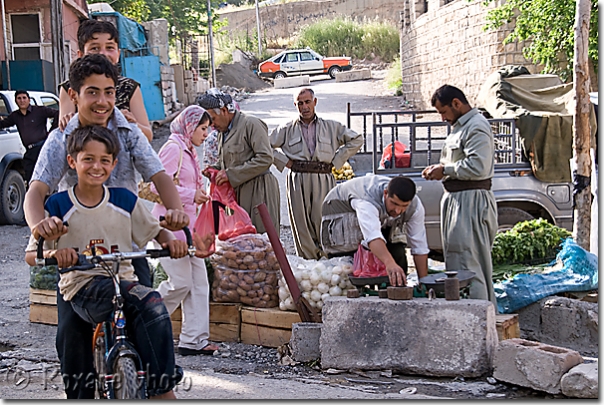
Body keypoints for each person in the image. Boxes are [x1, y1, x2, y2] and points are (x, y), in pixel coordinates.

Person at [24, 54, 189, 399]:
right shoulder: (60, 139)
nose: (102, 101)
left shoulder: (127, 132)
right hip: (77, 255)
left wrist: (175, 217)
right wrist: (42, 228)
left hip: (126, 237)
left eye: (109, 92)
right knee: (71, 336)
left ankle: (161, 390)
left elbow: (158, 174)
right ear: (74, 93)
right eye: (92, 93)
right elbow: (36, 192)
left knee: (149, 312)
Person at [151, 105, 219, 356]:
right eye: (202, 128)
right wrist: (192, 195)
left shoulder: (190, 151)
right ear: (189, 126)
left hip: (190, 230)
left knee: (199, 284)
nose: (206, 134)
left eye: (208, 128)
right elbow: (157, 187)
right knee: (180, 283)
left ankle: (194, 339)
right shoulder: (173, 149)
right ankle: (144, 318)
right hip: (168, 229)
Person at [422, 84, 498, 306]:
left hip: (470, 202)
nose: (443, 118)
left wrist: (445, 170)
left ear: (456, 103)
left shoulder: (476, 126)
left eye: (444, 112)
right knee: (457, 264)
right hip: (457, 201)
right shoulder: (459, 127)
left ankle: (480, 318)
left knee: (469, 264)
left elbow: (478, 166)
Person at [270, 88, 363, 260]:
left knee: (323, 220)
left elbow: (357, 139)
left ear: (315, 102)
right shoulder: (286, 129)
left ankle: (327, 261)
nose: (304, 107)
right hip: (298, 178)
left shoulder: (331, 126)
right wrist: (284, 162)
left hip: (323, 177)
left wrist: (337, 161)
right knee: (301, 223)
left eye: (307, 102)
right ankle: (307, 264)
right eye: (300, 103)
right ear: (295, 105)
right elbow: (265, 146)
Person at [197, 88, 280, 235]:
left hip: (258, 191)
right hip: (237, 193)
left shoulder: (251, 124)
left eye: (213, 119)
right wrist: (214, 170)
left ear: (223, 110)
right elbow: (229, 162)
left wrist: (230, 174)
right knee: (242, 242)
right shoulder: (222, 133)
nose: (211, 125)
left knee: (262, 240)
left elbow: (265, 158)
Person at [320, 175, 429, 286]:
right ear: (385, 193)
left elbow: (419, 246)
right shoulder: (366, 201)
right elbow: (373, 237)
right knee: (350, 269)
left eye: (404, 206)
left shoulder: (415, 206)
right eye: (394, 203)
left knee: (397, 253)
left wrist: (424, 282)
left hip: (381, 220)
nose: (398, 210)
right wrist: (389, 263)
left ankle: (393, 288)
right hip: (341, 215)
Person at [58, 19, 153, 141]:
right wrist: (68, 122)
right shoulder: (70, 87)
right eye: (94, 48)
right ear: (80, 54)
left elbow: (148, 136)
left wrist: (133, 124)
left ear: (118, 54)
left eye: (109, 47)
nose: (103, 53)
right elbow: (64, 134)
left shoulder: (130, 87)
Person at [0, 90, 58, 185]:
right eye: (19, 98)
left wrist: (52, 132)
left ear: (29, 100)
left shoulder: (39, 110)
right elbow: (3, 124)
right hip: (29, 152)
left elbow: (57, 113)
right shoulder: (15, 116)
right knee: (30, 178)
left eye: (24, 98)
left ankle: (47, 198)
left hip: (41, 148)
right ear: (15, 101)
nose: (22, 100)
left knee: (46, 179)